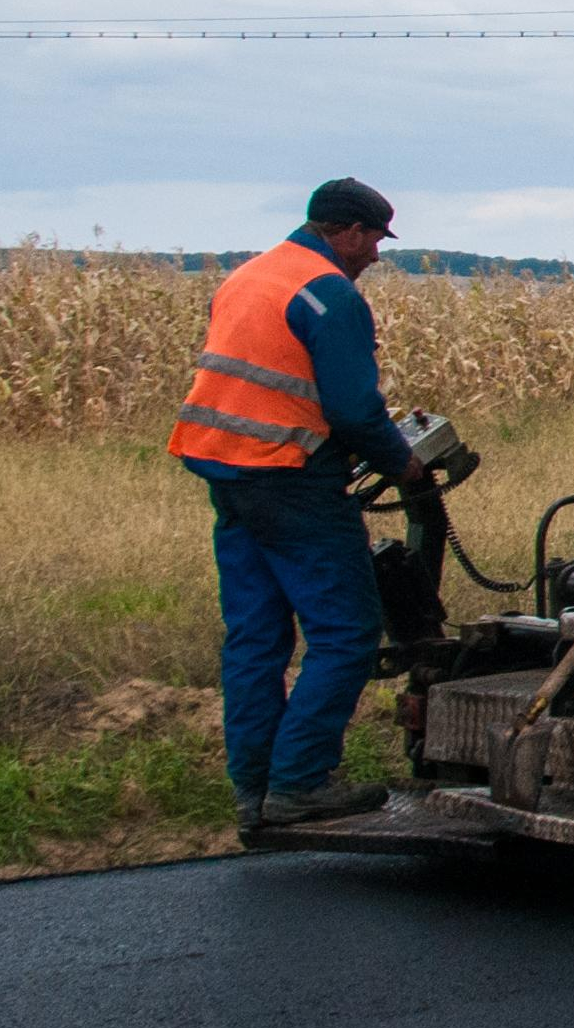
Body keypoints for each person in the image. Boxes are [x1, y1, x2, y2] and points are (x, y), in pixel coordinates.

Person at [166, 178, 425, 831]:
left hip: (227, 472)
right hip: (291, 476)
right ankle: (302, 782)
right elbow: (352, 408)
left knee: (255, 637)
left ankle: (253, 792)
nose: (373, 257)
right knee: (346, 632)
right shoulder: (328, 293)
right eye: (372, 243)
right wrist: (404, 462)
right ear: (350, 232)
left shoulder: (250, 277)